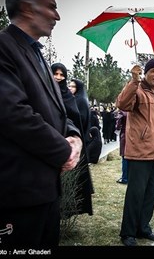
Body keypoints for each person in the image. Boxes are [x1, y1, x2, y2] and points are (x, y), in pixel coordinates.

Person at [0, 0, 82, 247]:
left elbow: (59, 110)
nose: (58, 16)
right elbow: (13, 115)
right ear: (28, 8)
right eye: (51, 7)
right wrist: (64, 152)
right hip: (15, 197)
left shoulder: (38, 55)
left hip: (46, 193)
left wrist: (74, 137)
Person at [116, 59, 154, 246]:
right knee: (135, 194)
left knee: (150, 194)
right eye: (153, 71)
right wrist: (134, 79)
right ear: (146, 73)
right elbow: (122, 104)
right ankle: (128, 233)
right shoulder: (137, 90)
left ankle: (143, 228)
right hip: (139, 152)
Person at [52, 65, 94, 217]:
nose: (58, 77)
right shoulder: (47, 92)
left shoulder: (71, 98)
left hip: (69, 143)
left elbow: (77, 118)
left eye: (61, 74)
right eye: (55, 74)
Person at [115, 110, 128, 184]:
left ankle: (125, 178)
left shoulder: (122, 112)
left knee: (125, 156)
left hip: (125, 135)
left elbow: (118, 126)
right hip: (134, 136)